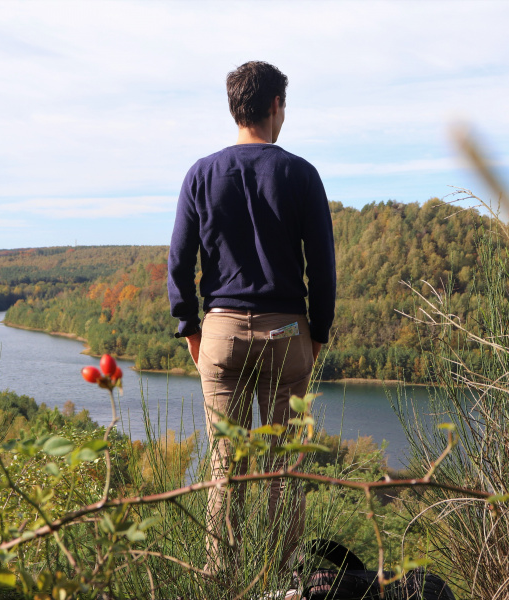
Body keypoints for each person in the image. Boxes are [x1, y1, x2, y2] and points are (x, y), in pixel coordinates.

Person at [167, 61, 336, 576]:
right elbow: (322, 265)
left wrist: (190, 327)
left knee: (226, 466)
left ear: (235, 107)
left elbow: (179, 260)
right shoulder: (301, 174)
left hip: (219, 331)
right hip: (287, 333)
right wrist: (318, 332)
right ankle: (283, 579)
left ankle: (221, 577)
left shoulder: (201, 173)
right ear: (275, 107)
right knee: (285, 466)